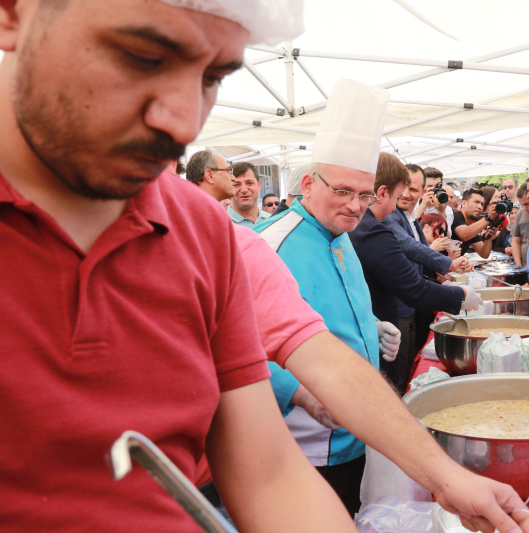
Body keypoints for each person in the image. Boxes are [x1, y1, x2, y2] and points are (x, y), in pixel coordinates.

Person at [0, 0, 361, 531]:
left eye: (212, 77)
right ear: (13, 14)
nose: (185, 120)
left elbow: (267, 477)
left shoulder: (202, 230)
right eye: (142, 56)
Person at [255, 80, 529, 533]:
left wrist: (373, 324)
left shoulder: (342, 237)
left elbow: (331, 312)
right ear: (307, 182)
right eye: (343, 191)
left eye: (365, 195)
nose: (355, 207)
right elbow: (238, 348)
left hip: (358, 430)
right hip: (301, 443)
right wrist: (300, 392)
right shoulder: (269, 244)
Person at [350, 152, 480, 391]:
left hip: (376, 325)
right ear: (381, 194)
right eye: (399, 195)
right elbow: (413, 287)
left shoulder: (364, 225)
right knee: (391, 387)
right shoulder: (372, 228)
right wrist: (460, 295)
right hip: (382, 326)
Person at [452, 188, 500, 258]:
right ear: (464, 203)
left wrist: (489, 237)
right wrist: (488, 218)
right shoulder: (456, 216)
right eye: (476, 202)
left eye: (482, 204)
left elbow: (484, 254)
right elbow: (464, 235)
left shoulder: (470, 226)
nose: (480, 207)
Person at [226, 161, 271, 227]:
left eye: (249, 183)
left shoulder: (273, 221)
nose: (244, 190)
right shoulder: (219, 224)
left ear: (259, 185)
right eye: (237, 184)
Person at [416, 167, 453, 236]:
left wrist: (441, 211)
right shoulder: (413, 204)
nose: (434, 190)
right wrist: (424, 205)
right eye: (430, 186)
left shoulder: (446, 209)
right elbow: (408, 225)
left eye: (437, 186)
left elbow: (447, 237)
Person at [510, 180, 529, 268]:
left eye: (527, 204)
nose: (525, 208)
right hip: (524, 266)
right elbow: (516, 241)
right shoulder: (520, 213)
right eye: (522, 205)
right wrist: (519, 266)